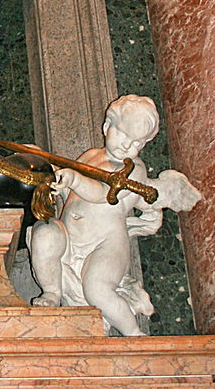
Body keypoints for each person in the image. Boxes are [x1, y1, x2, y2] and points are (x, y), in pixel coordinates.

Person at [29, 95, 201, 335]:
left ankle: (133, 332)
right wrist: (43, 161)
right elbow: (67, 188)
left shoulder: (134, 170)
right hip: (70, 238)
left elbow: (102, 194)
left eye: (137, 143)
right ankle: (52, 292)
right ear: (107, 126)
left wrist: (76, 179)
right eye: (122, 134)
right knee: (45, 234)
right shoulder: (91, 156)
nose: (126, 146)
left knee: (97, 288)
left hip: (106, 244)